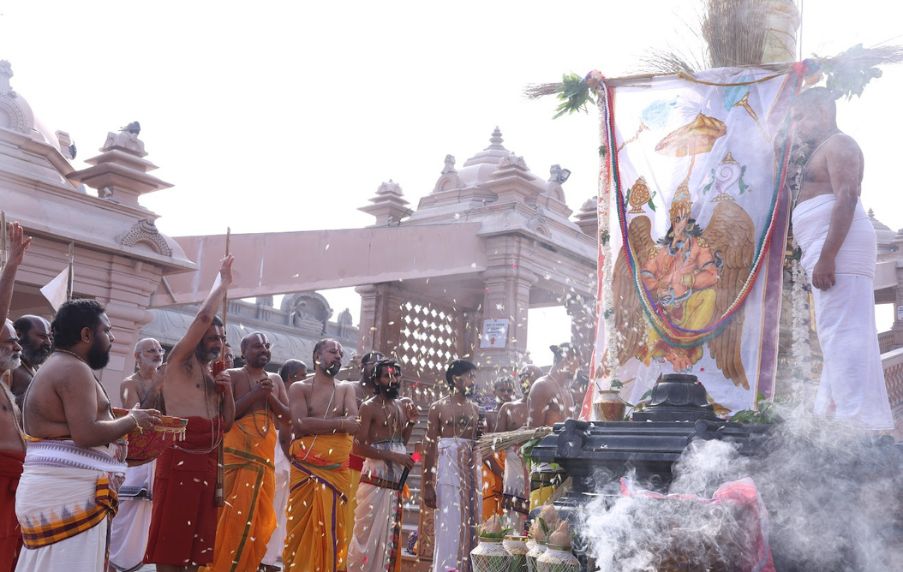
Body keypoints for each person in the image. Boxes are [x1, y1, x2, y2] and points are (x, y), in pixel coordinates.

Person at [16, 299, 161, 571]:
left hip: (62, 492)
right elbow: (86, 433)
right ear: (86, 334)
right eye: (106, 330)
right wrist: (132, 420)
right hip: (67, 495)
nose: (112, 337)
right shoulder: (73, 368)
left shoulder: (64, 364)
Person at [788, 87, 894, 430]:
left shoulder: (840, 144)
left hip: (840, 249)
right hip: (828, 247)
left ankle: (855, 420)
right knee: (835, 333)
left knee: (845, 332)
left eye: (800, 117)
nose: (797, 126)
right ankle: (836, 415)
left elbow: (847, 197)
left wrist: (827, 257)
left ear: (822, 111)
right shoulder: (822, 148)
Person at [144, 256, 236, 572]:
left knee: (197, 551)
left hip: (208, 466)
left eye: (221, 339)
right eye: (212, 337)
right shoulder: (178, 364)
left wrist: (227, 390)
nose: (217, 343)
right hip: (180, 461)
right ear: (197, 339)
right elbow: (202, 317)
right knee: (172, 547)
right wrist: (221, 285)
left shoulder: (216, 375)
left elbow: (228, 424)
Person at [201, 332, 289, 571]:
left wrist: (269, 396)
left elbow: (286, 417)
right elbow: (226, 415)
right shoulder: (232, 376)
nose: (263, 349)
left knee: (256, 526)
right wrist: (255, 395)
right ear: (244, 352)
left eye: (266, 346)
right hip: (236, 460)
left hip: (264, 463)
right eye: (257, 346)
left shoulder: (276, 380)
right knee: (229, 520)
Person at [282, 339, 359, 571]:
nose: (337, 357)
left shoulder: (346, 388)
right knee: (300, 530)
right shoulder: (300, 388)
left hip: (335, 471)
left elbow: (354, 424)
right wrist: (341, 423)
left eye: (340, 353)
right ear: (317, 356)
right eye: (332, 352)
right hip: (306, 470)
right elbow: (300, 424)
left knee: (333, 530)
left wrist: (319, 423)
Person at [347, 359, 418, 572]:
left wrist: (411, 423)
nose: (392, 380)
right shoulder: (369, 407)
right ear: (377, 380)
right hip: (374, 481)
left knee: (388, 540)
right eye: (387, 376)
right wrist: (394, 457)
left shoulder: (400, 406)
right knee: (365, 539)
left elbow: (400, 443)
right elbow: (357, 448)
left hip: (394, 483)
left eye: (395, 375)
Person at [109, 338, 165, 572]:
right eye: (151, 350)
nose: (157, 354)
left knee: (151, 515)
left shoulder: (167, 382)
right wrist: (158, 384)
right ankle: (114, 564)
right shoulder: (128, 383)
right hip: (135, 458)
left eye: (160, 350)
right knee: (127, 512)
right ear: (137, 357)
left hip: (160, 456)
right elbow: (136, 417)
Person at [422, 359, 482, 572]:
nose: (474, 381)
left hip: (472, 478)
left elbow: (479, 443)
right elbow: (428, 449)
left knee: (472, 525)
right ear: (456, 379)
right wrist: (427, 485)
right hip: (448, 477)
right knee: (449, 527)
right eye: (470, 376)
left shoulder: (476, 409)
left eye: (475, 377)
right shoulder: (437, 407)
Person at [261, 359, 308, 572]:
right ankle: (262, 557)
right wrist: (296, 462)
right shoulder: (281, 390)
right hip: (280, 455)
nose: (304, 380)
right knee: (272, 508)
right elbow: (284, 433)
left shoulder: (298, 398)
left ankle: (270, 558)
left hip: (288, 456)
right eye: (301, 376)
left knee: (281, 511)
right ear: (290, 378)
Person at [0, 223, 28, 572]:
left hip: (16, 489)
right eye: (9, 339)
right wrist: (12, 266)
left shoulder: (6, 383)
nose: (16, 346)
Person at [494, 366, 541, 531]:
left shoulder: (545, 410)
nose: (526, 382)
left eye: (531, 377)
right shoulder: (508, 408)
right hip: (514, 475)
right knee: (513, 526)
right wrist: (517, 435)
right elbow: (495, 442)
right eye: (523, 378)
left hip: (537, 475)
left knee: (537, 524)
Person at [347, 350, 384, 548]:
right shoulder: (349, 389)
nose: (377, 367)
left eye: (382, 363)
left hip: (376, 462)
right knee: (351, 512)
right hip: (352, 458)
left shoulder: (384, 396)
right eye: (373, 363)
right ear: (362, 367)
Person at [481, 377, 515, 521]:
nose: (506, 394)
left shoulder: (517, 414)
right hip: (491, 469)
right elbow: (483, 450)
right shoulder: (487, 416)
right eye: (502, 390)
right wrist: (501, 473)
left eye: (509, 390)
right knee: (489, 518)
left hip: (512, 467)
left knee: (509, 517)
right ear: (493, 391)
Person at [9, 315, 51, 410]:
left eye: (49, 337)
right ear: (19, 335)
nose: (48, 343)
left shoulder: (36, 367)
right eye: (42, 336)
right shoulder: (8, 368)